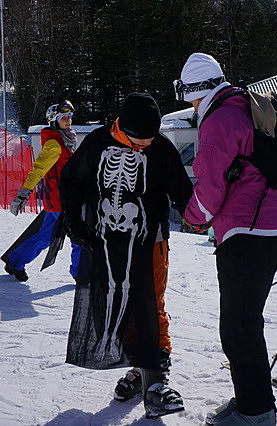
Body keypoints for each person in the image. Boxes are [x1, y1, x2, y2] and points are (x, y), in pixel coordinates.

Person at [59, 93, 193, 419]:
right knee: (116, 307)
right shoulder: (97, 142)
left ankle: (156, 385)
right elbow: (71, 180)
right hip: (106, 240)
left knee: (150, 306)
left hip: (151, 242)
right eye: (140, 138)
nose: (145, 143)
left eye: (150, 137)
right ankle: (138, 371)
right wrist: (74, 222)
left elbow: (185, 196)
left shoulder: (161, 149)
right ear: (122, 126)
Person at [175, 52, 277, 426]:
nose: (190, 106)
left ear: (197, 89)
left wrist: (192, 217)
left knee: (238, 326)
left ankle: (255, 412)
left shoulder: (219, 119)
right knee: (245, 322)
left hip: (247, 230)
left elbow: (210, 186)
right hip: (270, 226)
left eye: (189, 97)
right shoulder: (244, 105)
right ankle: (252, 401)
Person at [1, 100, 80, 282]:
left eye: (69, 117)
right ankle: (80, 273)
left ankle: (15, 261)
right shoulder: (55, 144)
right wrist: (24, 192)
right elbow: (39, 169)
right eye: (63, 118)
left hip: (63, 199)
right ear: (54, 121)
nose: (68, 121)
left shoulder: (66, 140)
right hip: (61, 201)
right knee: (77, 237)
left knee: (46, 236)